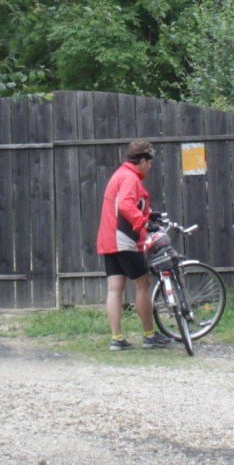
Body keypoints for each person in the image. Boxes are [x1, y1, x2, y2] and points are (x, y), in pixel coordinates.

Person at [96, 138, 165, 350]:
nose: (151, 166)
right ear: (142, 161)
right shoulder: (130, 178)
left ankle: (117, 339)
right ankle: (149, 335)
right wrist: (143, 222)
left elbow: (125, 204)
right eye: (150, 161)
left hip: (108, 240)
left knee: (115, 289)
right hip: (123, 239)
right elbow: (126, 205)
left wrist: (146, 213)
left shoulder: (119, 175)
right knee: (143, 285)